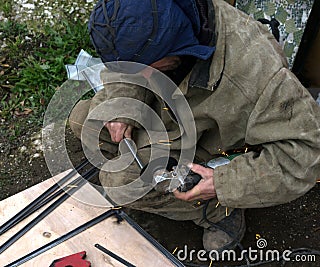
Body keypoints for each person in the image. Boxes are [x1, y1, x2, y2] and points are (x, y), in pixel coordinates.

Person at [68, 0, 320, 252]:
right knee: (84, 120)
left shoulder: (258, 74)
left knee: (120, 182)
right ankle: (146, 166)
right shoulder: (158, 14)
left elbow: (306, 155)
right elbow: (126, 65)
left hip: (210, 143)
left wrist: (223, 183)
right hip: (169, 112)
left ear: (178, 45)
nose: (139, 74)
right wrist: (123, 105)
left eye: (146, 69)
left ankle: (217, 211)